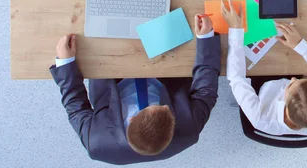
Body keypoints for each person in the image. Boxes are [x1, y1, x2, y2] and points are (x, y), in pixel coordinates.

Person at [50, 14, 220, 164]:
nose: (167, 106)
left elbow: (75, 106)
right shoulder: (190, 128)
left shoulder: (96, 141)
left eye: (161, 107)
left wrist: (65, 63)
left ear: (131, 120)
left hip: (111, 74)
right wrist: (206, 38)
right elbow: (206, 91)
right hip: (164, 68)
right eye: (165, 109)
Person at [221, 0, 307, 135]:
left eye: (291, 85)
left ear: (285, 103)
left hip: (264, 84)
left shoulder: (260, 118)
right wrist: (300, 45)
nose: (293, 78)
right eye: (300, 80)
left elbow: (236, 78)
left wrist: (235, 31)